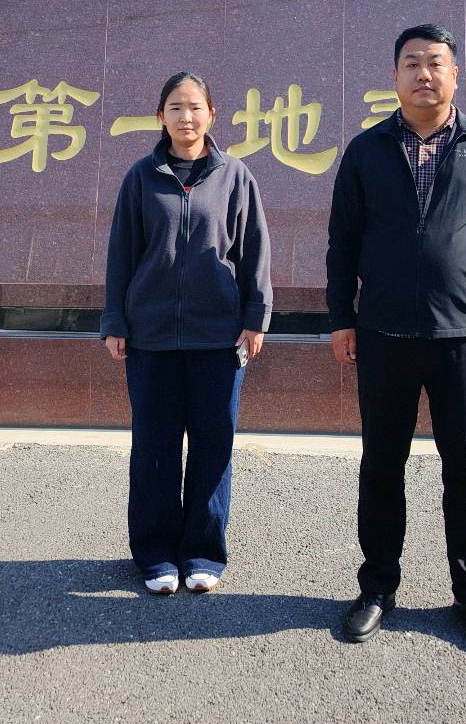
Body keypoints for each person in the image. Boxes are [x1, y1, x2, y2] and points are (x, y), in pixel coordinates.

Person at [326, 23, 466, 656]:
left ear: (455, 74)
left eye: (435, 62)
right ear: (394, 77)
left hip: (463, 335)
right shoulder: (366, 151)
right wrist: (340, 317)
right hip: (383, 333)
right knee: (380, 466)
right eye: (412, 63)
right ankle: (376, 589)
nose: (424, 73)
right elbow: (343, 240)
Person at [102, 71, 271, 596]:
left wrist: (256, 317)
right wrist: (115, 320)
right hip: (150, 337)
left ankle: (202, 552)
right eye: (175, 107)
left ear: (212, 114)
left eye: (195, 107)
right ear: (161, 116)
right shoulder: (141, 177)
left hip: (218, 337)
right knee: (154, 449)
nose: (186, 117)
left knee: (213, 446)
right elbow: (121, 253)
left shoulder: (235, 176)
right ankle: (155, 553)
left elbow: (254, 250)